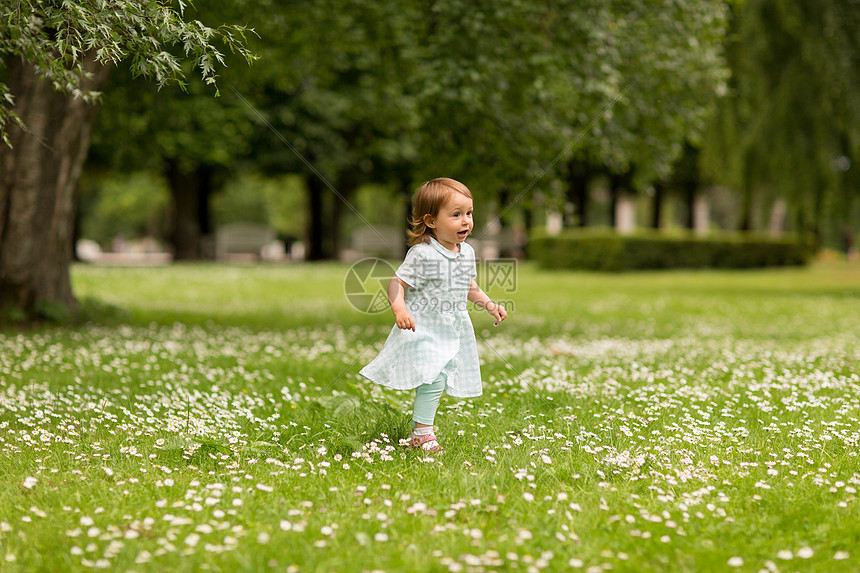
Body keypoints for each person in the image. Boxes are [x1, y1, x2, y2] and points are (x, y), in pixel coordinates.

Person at [360, 178, 508, 453]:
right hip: (423, 326)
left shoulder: (467, 252)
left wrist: (490, 305)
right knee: (434, 378)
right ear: (430, 221)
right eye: (456, 215)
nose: (466, 221)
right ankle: (422, 434)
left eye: (469, 213)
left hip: (451, 327)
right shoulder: (423, 254)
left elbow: (469, 287)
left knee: (439, 377)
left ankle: (421, 431)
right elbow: (397, 283)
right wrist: (400, 309)